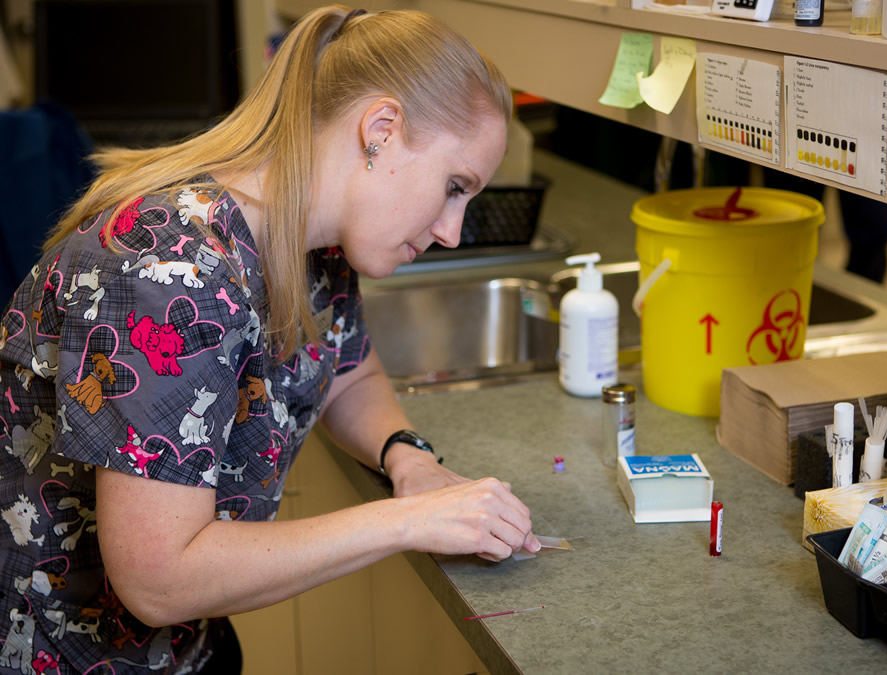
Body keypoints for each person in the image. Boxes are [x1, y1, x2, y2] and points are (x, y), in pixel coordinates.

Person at [0, 6, 540, 672]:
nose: (452, 232)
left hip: (186, 647)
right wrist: (410, 521)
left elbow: (350, 372)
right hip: (60, 654)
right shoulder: (169, 271)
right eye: (454, 187)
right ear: (381, 130)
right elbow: (158, 581)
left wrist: (408, 459)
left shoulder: (316, 243)